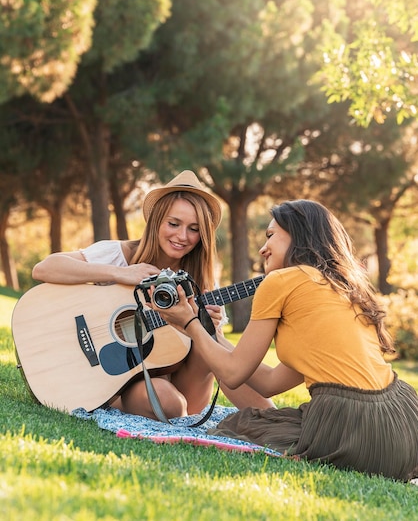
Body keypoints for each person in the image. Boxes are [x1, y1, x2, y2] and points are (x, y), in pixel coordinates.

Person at [153, 199, 418, 481]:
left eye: (270, 236)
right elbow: (269, 383)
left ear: (300, 234)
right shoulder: (340, 287)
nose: (262, 248)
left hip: (349, 421)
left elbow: (232, 374)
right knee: (269, 420)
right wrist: (213, 335)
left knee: (241, 424)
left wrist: (189, 323)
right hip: (404, 422)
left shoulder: (281, 280)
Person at [32, 170, 273, 419]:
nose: (182, 236)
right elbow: (44, 268)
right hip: (132, 386)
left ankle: (274, 421)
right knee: (168, 403)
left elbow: (222, 361)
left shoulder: (200, 281)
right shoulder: (121, 254)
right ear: (157, 220)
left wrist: (207, 330)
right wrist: (118, 274)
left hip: (182, 387)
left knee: (198, 362)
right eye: (174, 224)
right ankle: (102, 396)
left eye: (194, 229)